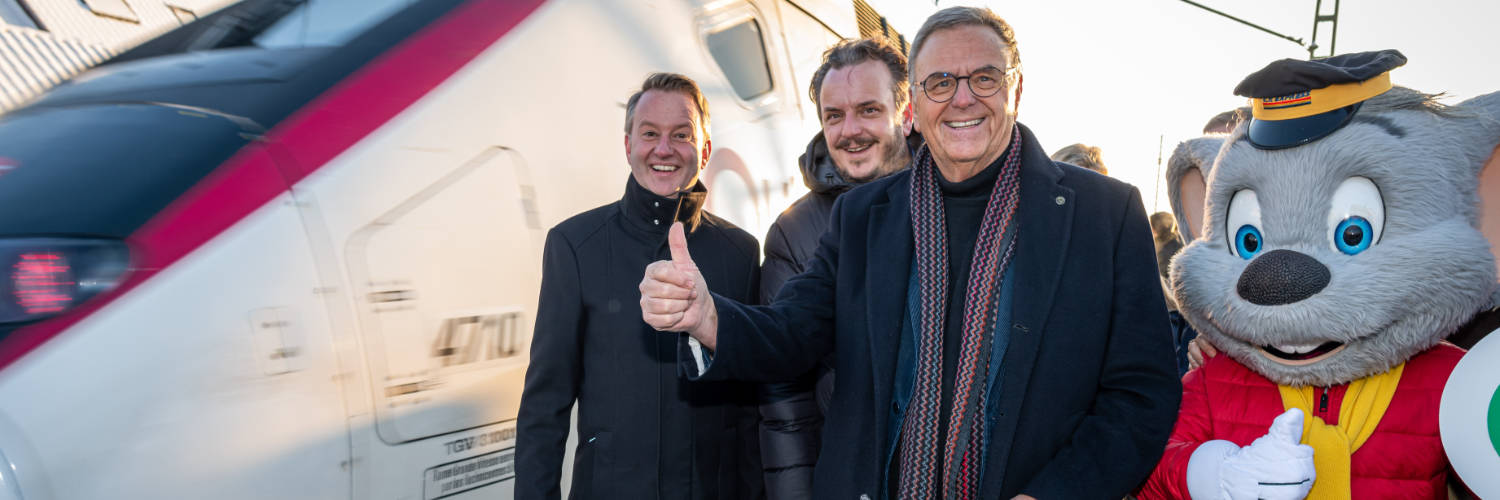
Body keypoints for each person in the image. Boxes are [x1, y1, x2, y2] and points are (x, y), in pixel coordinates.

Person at [640, 7, 1179, 499]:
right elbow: (792, 330)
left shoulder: (1103, 213)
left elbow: (1140, 395)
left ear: (1016, 90)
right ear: (916, 105)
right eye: (940, 82)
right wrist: (711, 319)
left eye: (984, 78)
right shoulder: (862, 216)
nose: (962, 98)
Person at [517, 73, 764, 500]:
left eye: (681, 135)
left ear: (704, 150)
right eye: (650, 133)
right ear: (628, 145)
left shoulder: (740, 253)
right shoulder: (575, 246)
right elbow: (545, 406)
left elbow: (747, 409)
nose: (663, 149)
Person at [757, 37, 918, 500]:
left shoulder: (952, 200)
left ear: (905, 116)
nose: (851, 131)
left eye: (868, 110)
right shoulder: (796, 230)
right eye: (834, 115)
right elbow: (784, 400)